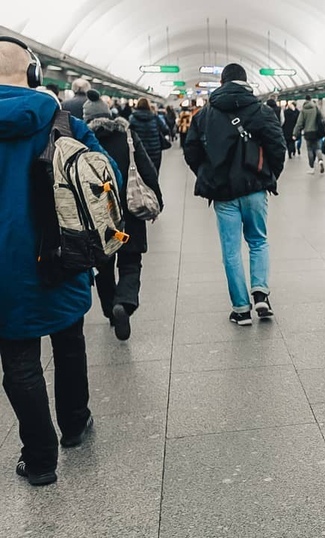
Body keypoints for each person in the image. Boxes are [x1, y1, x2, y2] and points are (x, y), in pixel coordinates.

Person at [0, 37, 120, 486]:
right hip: (62, 253)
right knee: (69, 343)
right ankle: (75, 424)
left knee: (19, 362)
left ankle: (40, 459)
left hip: (3, 271)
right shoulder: (64, 122)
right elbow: (108, 180)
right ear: (34, 75)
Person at [183, 63, 285, 325]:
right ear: (245, 81)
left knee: (231, 251)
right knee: (258, 241)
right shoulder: (261, 110)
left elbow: (191, 152)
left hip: (223, 192)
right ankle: (261, 295)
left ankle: (241, 309)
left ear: (222, 84)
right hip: (254, 189)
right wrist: (267, 174)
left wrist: (207, 174)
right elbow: (277, 146)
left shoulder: (203, 116)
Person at [84, 90, 163, 341]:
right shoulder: (127, 135)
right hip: (128, 208)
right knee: (131, 261)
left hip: (98, 213)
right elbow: (145, 168)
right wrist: (157, 201)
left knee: (103, 264)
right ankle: (125, 303)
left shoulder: (81, 140)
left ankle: (110, 310)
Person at [129, 98, 169, 174]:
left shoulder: (132, 118)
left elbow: (129, 133)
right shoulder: (155, 117)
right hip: (155, 151)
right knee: (154, 173)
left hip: (139, 151)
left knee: (141, 174)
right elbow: (165, 130)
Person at [292, 95, 325, 174]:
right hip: (316, 132)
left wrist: (295, 133)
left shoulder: (303, 110)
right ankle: (320, 161)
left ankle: (311, 167)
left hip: (308, 132)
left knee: (310, 149)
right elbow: (322, 118)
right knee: (317, 148)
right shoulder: (316, 108)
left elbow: (299, 123)